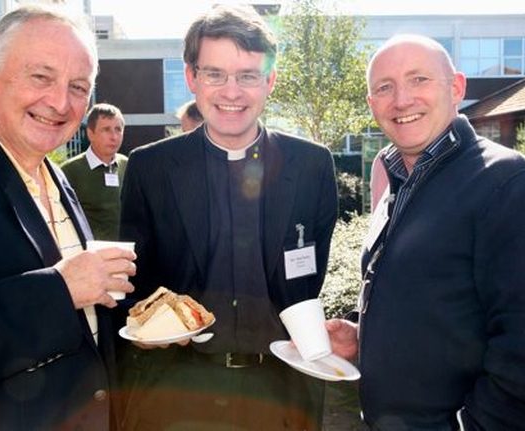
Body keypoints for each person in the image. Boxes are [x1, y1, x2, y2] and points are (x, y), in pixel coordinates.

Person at [117, 4, 338, 431]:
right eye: (215, 74)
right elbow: (137, 284)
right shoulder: (152, 168)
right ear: (192, 78)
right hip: (179, 388)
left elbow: (311, 274)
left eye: (248, 75)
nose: (231, 92)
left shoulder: (311, 165)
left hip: (282, 389)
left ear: (269, 81)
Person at [0, 5, 136, 431]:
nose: (59, 102)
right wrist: (60, 289)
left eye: (78, 86)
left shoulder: (51, 173)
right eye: (41, 77)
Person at [326, 34, 525, 431]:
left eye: (419, 79)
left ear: (457, 88)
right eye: (385, 87)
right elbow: (430, 302)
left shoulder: (508, 184)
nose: (401, 99)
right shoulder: (400, 181)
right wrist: (361, 335)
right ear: (372, 104)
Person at [61, 103, 128, 240]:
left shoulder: (128, 165)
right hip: (90, 256)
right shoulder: (70, 171)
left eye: (118, 129)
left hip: (126, 254)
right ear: (91, 133)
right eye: (106, 130)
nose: (114, 137)